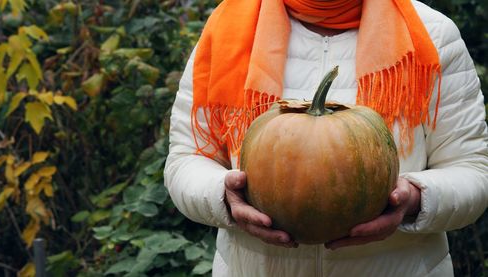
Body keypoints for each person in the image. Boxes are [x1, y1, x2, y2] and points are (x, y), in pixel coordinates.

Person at [164, 0, 488, 276]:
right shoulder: (227, 31)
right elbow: (186, 160)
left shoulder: (433, 34)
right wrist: (224, 197)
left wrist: (414, 201)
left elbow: (474, 171)